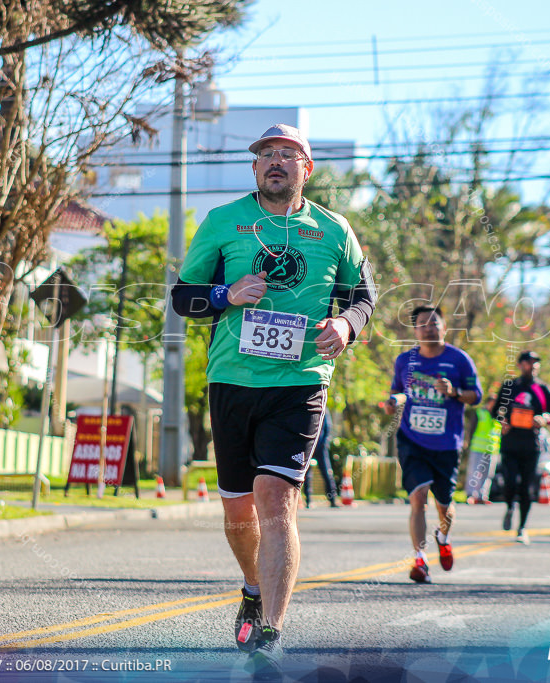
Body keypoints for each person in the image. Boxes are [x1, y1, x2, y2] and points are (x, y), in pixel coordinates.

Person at [170, 124, 376, 675]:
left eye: (289, 155)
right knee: (238, 508)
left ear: (307, 169)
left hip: (301, 381)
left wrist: (348, 325)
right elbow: (181, 298)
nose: (276, 162)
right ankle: (253, 586)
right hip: (233, 380)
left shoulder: (335, 230)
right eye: (266, 156)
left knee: (275, 499)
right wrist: (224, 294)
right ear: (255, 168)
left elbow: (363, 295)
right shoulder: (222, 222)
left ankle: (271, 632)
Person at [384, 306, 481, 584]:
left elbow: (476, 396)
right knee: (418, 497)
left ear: (444, 327)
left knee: (444, 504)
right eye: (422, 324)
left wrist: (454, 392)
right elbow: (398, 392)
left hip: (447, 443)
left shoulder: (460, 360)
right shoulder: (405, 361)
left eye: (434, 323)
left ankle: (444, 536)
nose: (428, 328)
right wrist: (393, 403)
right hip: (412, 439)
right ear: (415, 331)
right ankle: (420, 559)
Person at [491, 350, 550, 545]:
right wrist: (502, 421)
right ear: (520, 365)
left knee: (527, 487)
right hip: (510, 443)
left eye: (536, 363)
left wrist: (544, 418)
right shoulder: (510, 387)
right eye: (529, 362)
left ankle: (522, 527)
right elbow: (496, 411)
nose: (533, 366)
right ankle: (510, 506)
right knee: (510, 482)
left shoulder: (544, 389)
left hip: (532, 445)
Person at [465, 394, 500, 504]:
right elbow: (471, 429)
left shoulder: (498, 416)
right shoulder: (480, 413)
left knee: (488, 475)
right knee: (474, 472)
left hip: (492, 450)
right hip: (477, 448)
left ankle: (483, 496)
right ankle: (471, 495)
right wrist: (468, 442)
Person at [303, 411, 339, 508]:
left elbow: (328, 428)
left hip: (321, 447)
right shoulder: (308, 407)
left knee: (327, 473)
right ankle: (308, 500)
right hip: (309, 446)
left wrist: (325, 444)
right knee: (306, 474)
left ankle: (332, 499)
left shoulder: (324, 409)